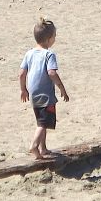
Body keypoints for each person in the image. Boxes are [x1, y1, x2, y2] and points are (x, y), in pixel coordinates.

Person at [19, 17, 69, 160]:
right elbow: (51, 72)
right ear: (49, 39)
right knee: (44, 122)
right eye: (54, 37)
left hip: (33, 93)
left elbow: (22, 73)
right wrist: (62, 88)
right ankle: (34, 146)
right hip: (46, 95)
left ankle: (43, 148)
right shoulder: (49, 54)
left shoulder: (29, 53)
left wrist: (23, 89)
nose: (55, 39)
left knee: (41, 120)